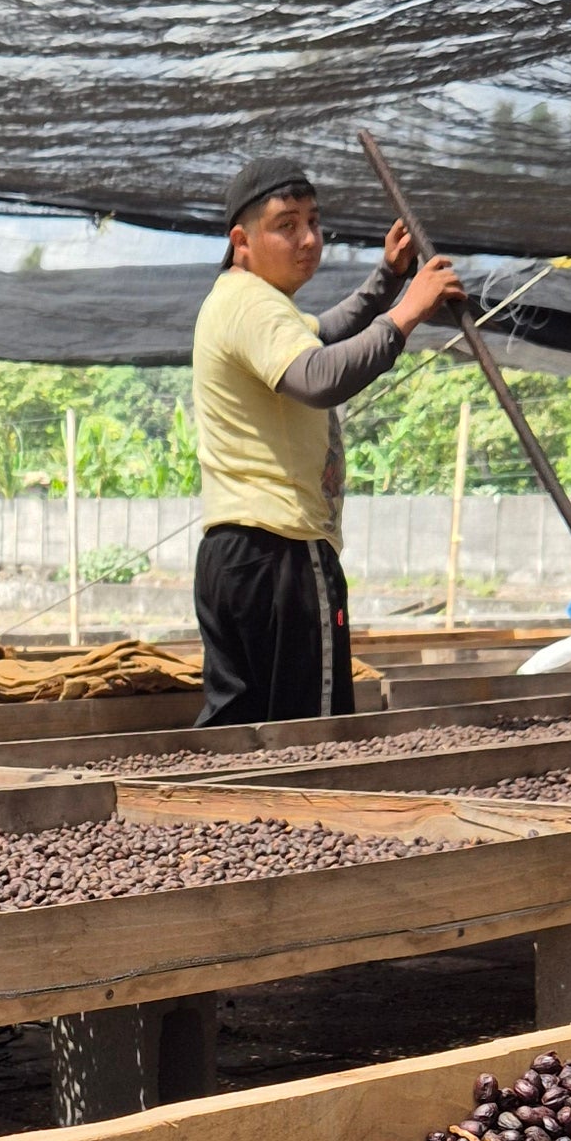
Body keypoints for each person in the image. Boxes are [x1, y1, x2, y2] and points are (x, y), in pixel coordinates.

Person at [189, 155, 463, 726]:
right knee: (311, 739)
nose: (307, 239)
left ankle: (217, 816)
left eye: (313, 222)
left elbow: (326, 334)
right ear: (242, 240)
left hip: (235, 554)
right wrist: (411, 309)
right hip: (280, 552)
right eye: (285, 225)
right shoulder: (252, 305)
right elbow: (319, 376)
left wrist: (388, 279)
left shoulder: (246, 302)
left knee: (241, 732)